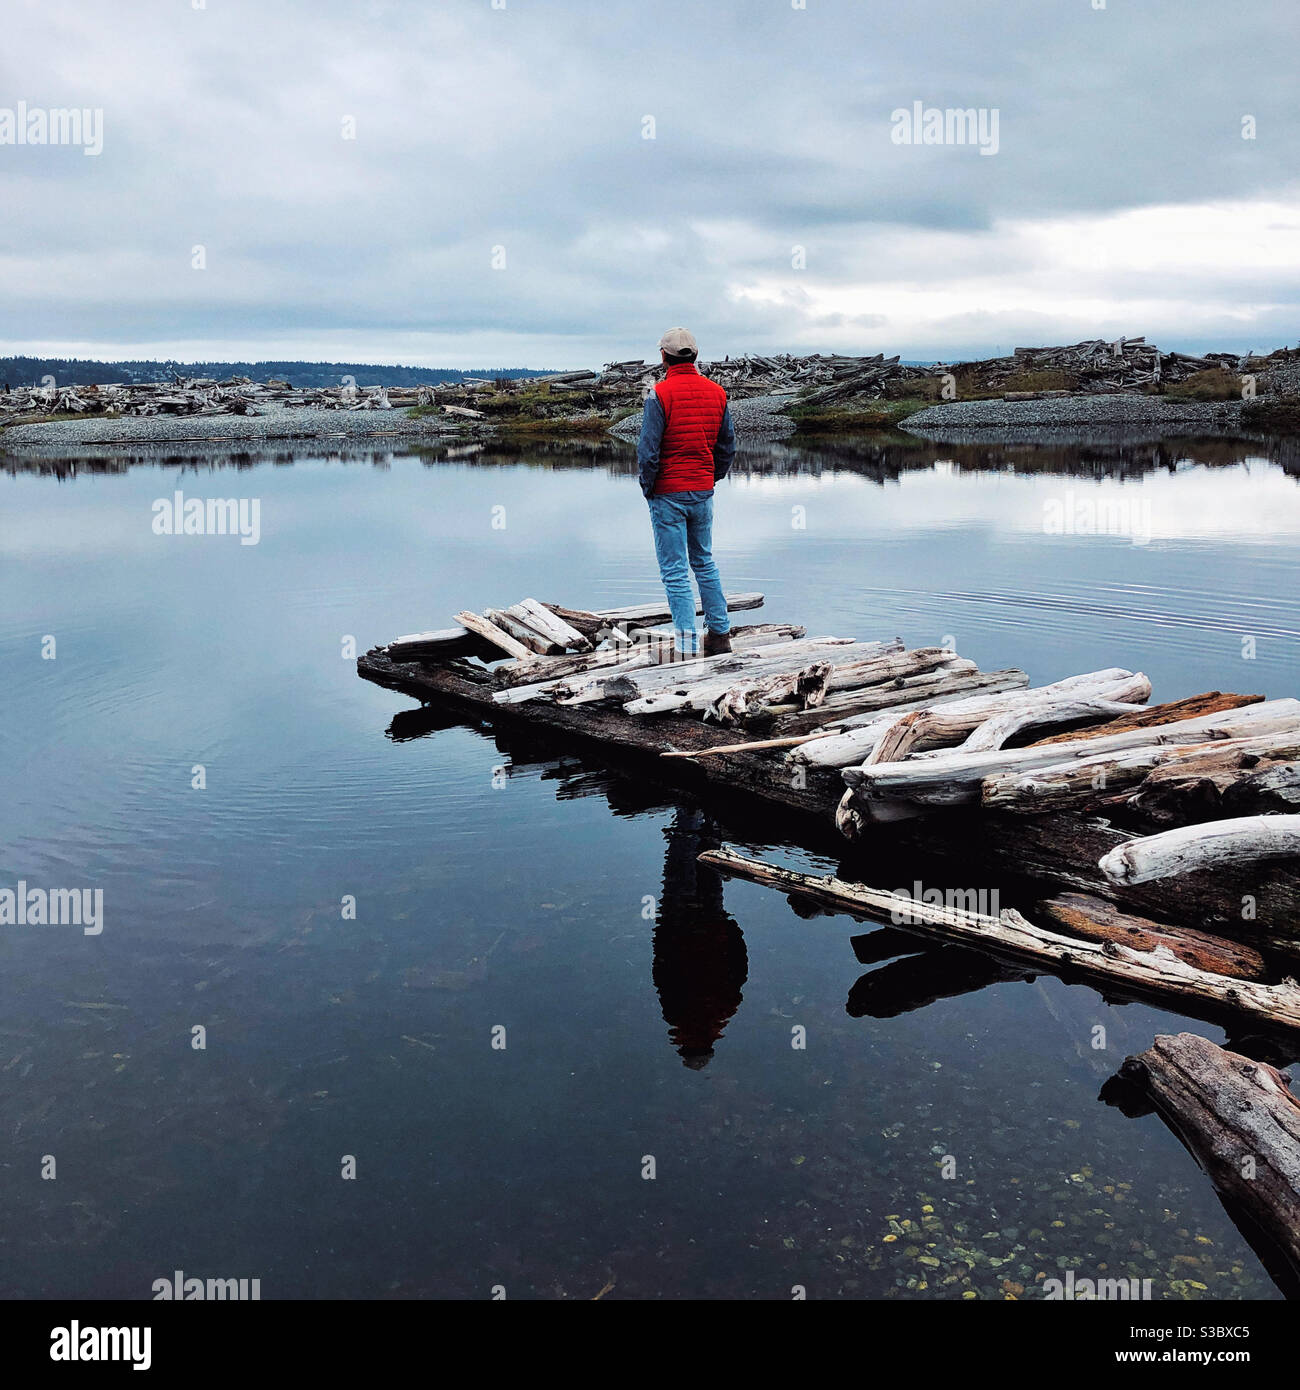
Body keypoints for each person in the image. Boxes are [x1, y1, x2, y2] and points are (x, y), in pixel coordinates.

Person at [637, 328, 736, 657]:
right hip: (702, 491)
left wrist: (649, 488)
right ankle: (720, 635)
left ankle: (687, 646)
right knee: (704, 562)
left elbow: (648, 452)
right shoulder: (717, 393)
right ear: (695, 355)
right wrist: (711, 478)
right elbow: (727, 447)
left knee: (675, 572)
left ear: (663, 357)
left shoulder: (658, 394)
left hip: (668, 493)